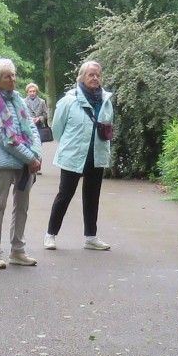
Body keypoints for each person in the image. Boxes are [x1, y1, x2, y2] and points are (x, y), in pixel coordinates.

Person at [45, 60, 115, 251]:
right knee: (65, 194)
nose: (95, 78)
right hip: (74, 155)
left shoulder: (106, 101)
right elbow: (57, 130)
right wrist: (69, 145)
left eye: (98, 75)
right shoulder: (68, 101)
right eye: (91, 74)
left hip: (96, 155)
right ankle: (50, 234)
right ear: (81, 77)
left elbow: (107, 126)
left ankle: (90, 237)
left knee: (92, 197)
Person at [0, 57, 42, 269]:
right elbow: (7, 138)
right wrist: (30, 158)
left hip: (27, 163)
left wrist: (37, 156)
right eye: (8, 76)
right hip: (4, 163)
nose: (13, 79)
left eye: (14, 75)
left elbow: (32, 130)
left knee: (22, 207)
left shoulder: (18, 100)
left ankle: (18, 250)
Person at [23, 80, 52, 145]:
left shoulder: (42, 102)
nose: (32, 93)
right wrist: (30, 119)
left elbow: (45, 114)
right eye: (30, 91)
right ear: (27, 92)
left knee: (38, 147)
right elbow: (21, 115)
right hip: (27, 128)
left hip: (39, 129)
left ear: (36, 92)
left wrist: (39, 118)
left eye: (34, 91)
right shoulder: (23, 102)